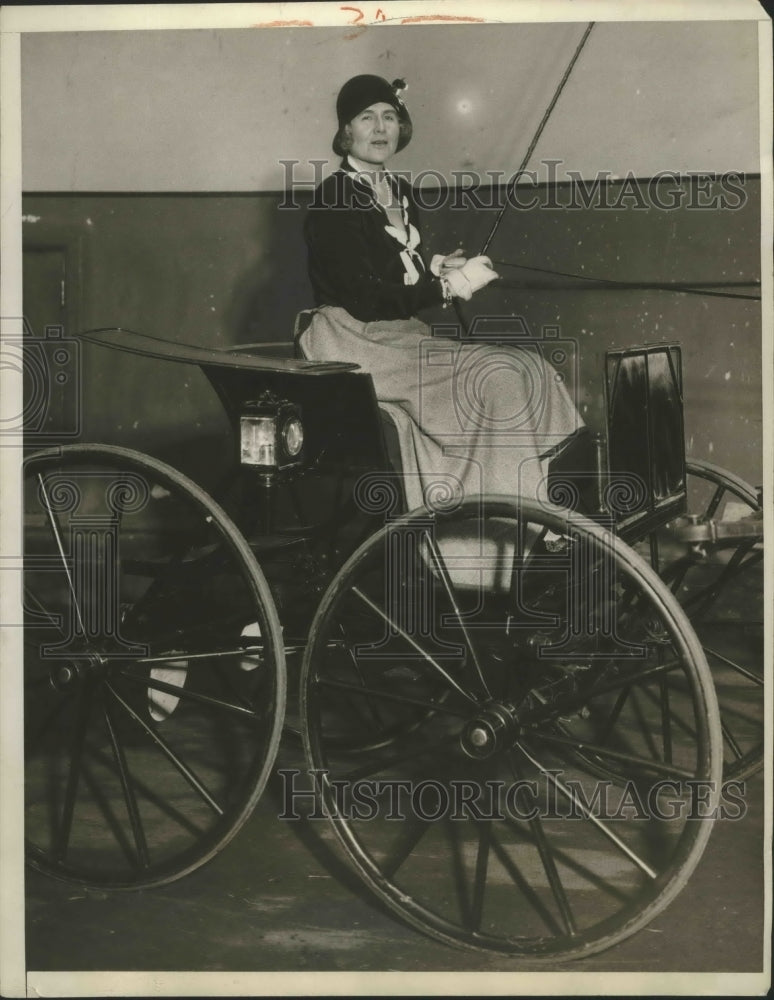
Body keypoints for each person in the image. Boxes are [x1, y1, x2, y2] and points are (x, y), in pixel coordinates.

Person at [299, 74, 582, 517]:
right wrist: (447, 287)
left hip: (399, 334)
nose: (380, 128)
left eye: (389, 116)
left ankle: (520, 510)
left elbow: (390, 270)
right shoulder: (332, 197)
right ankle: (508, 522)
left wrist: (433, 268)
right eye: (366, 117)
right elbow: (363, 297)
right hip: (352, 342)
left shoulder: (401, 192)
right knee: (498, 378)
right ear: (346, 130)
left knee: (529, 368)